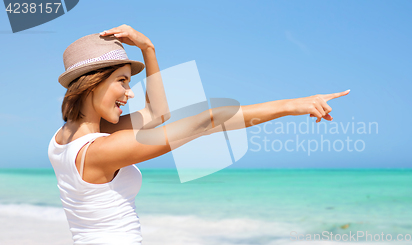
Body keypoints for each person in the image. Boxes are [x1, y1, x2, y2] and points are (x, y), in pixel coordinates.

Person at [47, 24, 350, 244]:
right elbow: (208, 121)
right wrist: (292, 105)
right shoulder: (103, 150)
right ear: (93, 82)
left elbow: (156, 114)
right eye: (123, 81)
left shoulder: (62, 140)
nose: (129, 93)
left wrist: (148, 50)